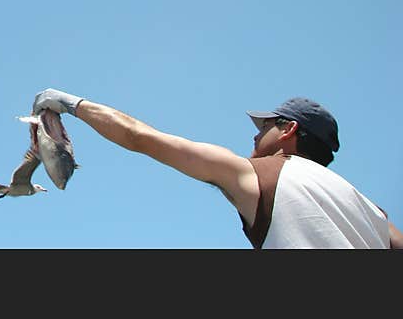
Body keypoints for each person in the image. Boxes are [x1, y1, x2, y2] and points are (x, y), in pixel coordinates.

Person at [32, 89, 402, 249]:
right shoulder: (369, 209)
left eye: (265, 127)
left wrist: (67, 102)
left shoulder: (259, 175)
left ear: (289, 130)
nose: (255, 138)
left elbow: (140, 137)